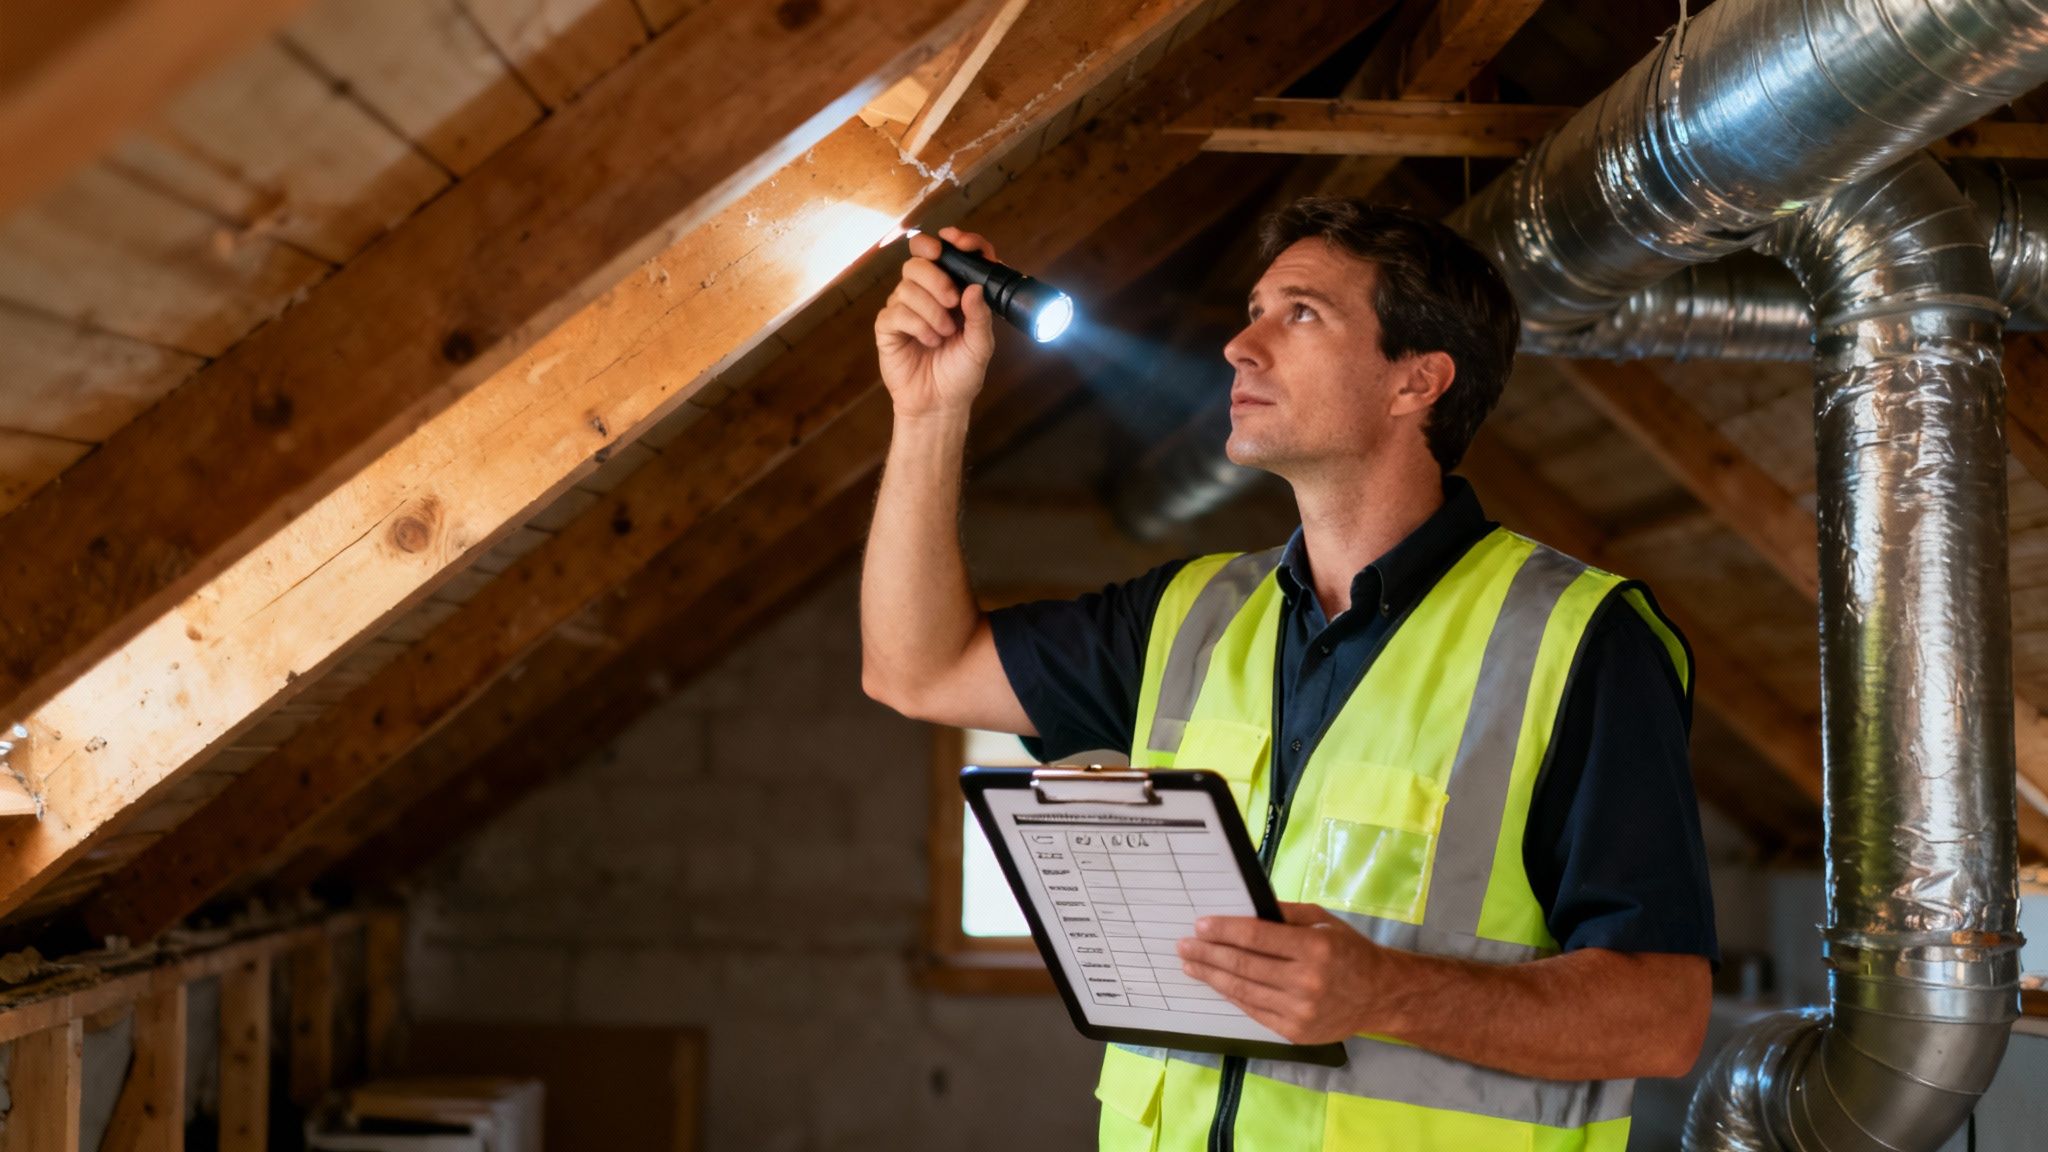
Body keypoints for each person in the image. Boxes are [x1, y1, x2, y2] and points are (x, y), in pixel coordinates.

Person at [861, 199, 1715, 1151]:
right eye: (1254, 308)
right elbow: (916, 669)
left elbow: (1663, 1017)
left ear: (1418, 381)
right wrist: (931, 410)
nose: (1239, 344)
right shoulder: (1189, 616)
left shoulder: (1579, 638)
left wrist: (1387, 992)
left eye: (1299, 313)